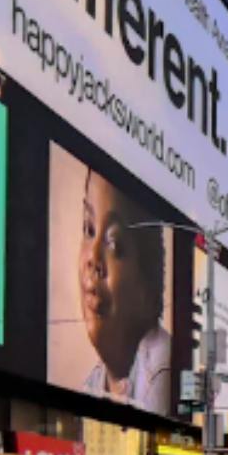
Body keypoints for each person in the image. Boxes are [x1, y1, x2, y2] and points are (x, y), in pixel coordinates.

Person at [79, 169, 171, 412]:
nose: (93, 258)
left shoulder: (162, 367)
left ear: (146, 286)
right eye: (88, 229)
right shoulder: (94, 382)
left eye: (114, 245)